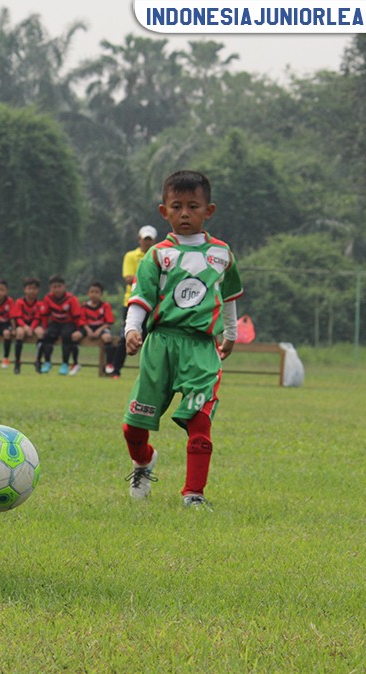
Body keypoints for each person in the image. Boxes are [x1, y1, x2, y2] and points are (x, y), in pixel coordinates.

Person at [121, 170, 242, 508]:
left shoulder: (221, 255)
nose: (185, 213)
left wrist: (230, 334)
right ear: (164, 211)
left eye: (193, 206)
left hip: (201, 348)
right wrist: (132, 329)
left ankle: (194, 494)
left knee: (199, 421)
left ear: (209, 210)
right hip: (160, 346)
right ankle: (143, 462)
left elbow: (229, 297)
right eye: (177, 206)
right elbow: (140, 298)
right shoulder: (157, 255)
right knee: (133, 427)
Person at [106, 224, 158, 378]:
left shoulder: (159, 255)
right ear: (139, 240)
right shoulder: (131, 256)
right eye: (145, 239)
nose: (147, 243)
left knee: (152, 339)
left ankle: (149, 373)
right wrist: (149, 280)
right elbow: (128, 278)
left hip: (154, 304)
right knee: (126, 337)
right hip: (131, 302)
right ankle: (116, 370)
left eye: (150, 240)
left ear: (154, 241)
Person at [37, 275, 83, 375]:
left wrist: (78, 330)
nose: (57, 289)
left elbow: (77, 316)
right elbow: (44, 315)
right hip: (55, 323)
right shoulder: (48, 298)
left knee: (66, 336)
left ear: (64, 287)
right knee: (48, 335)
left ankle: (65, 364)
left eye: (59, 286)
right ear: (50, 288)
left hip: (68, 323)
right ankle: (47, 362)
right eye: (54, 287)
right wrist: (44, 327)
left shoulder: (71, 299)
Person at [73, 281, 115, 376]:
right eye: (92, 292)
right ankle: (75, 363)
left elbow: (109, 322)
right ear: (88, 293)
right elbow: (82, 321)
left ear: (101, 294)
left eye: (97, 292)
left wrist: (99, 330)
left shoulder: (105, 306)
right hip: (88, 328)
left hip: (101, 327)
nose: (94, 294)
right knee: (75, 336)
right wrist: (88, 330)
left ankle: (109, 364)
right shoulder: (84, 306)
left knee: (107, 338)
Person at [10, 276, 45, 375]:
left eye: (34, 289)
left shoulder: (39, 303)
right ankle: (17, 362)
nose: (32, 291)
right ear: (25, 289)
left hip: (34, 325)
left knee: (41, 333)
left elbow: (38, 318)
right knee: (20, 333)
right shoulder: (20, 302)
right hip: (22, 324)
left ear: (38, 290)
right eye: (29, 288)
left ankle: (38, 361)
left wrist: (31, 328)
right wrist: (25, 327)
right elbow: (18, 317)